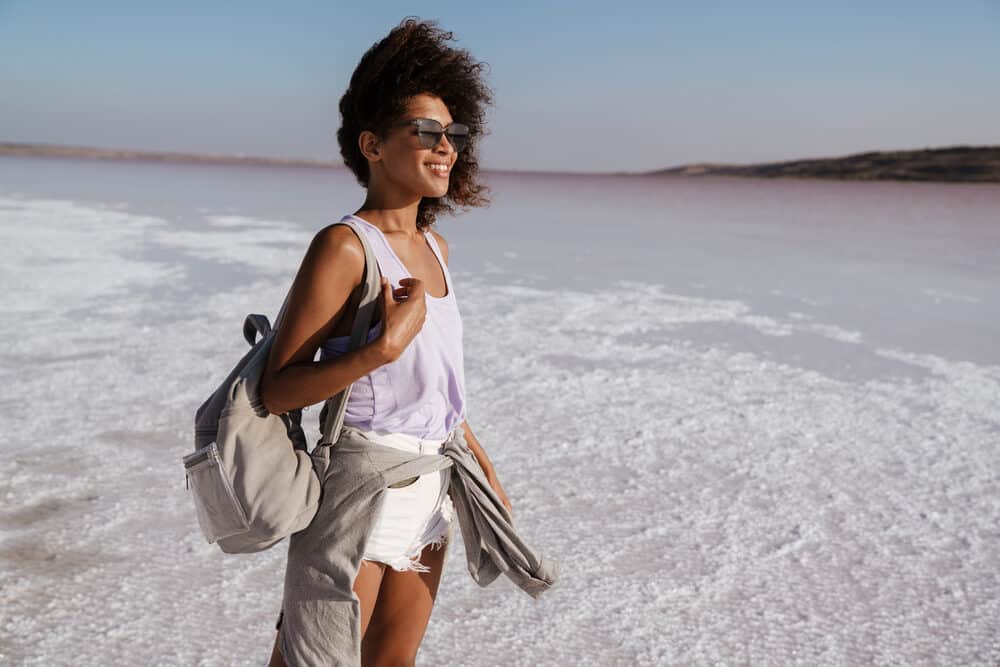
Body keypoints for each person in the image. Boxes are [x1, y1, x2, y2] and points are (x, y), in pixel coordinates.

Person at [260, 17, 509, 667]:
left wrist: (480, 466)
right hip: (361, 494)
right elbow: (277, 387)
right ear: (372, 144)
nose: (445, 147)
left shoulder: (436, 247)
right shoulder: (344, 247)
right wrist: (376, 351)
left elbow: (438, 382)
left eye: (453, 134)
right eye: (425, 132)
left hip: (434, 488)